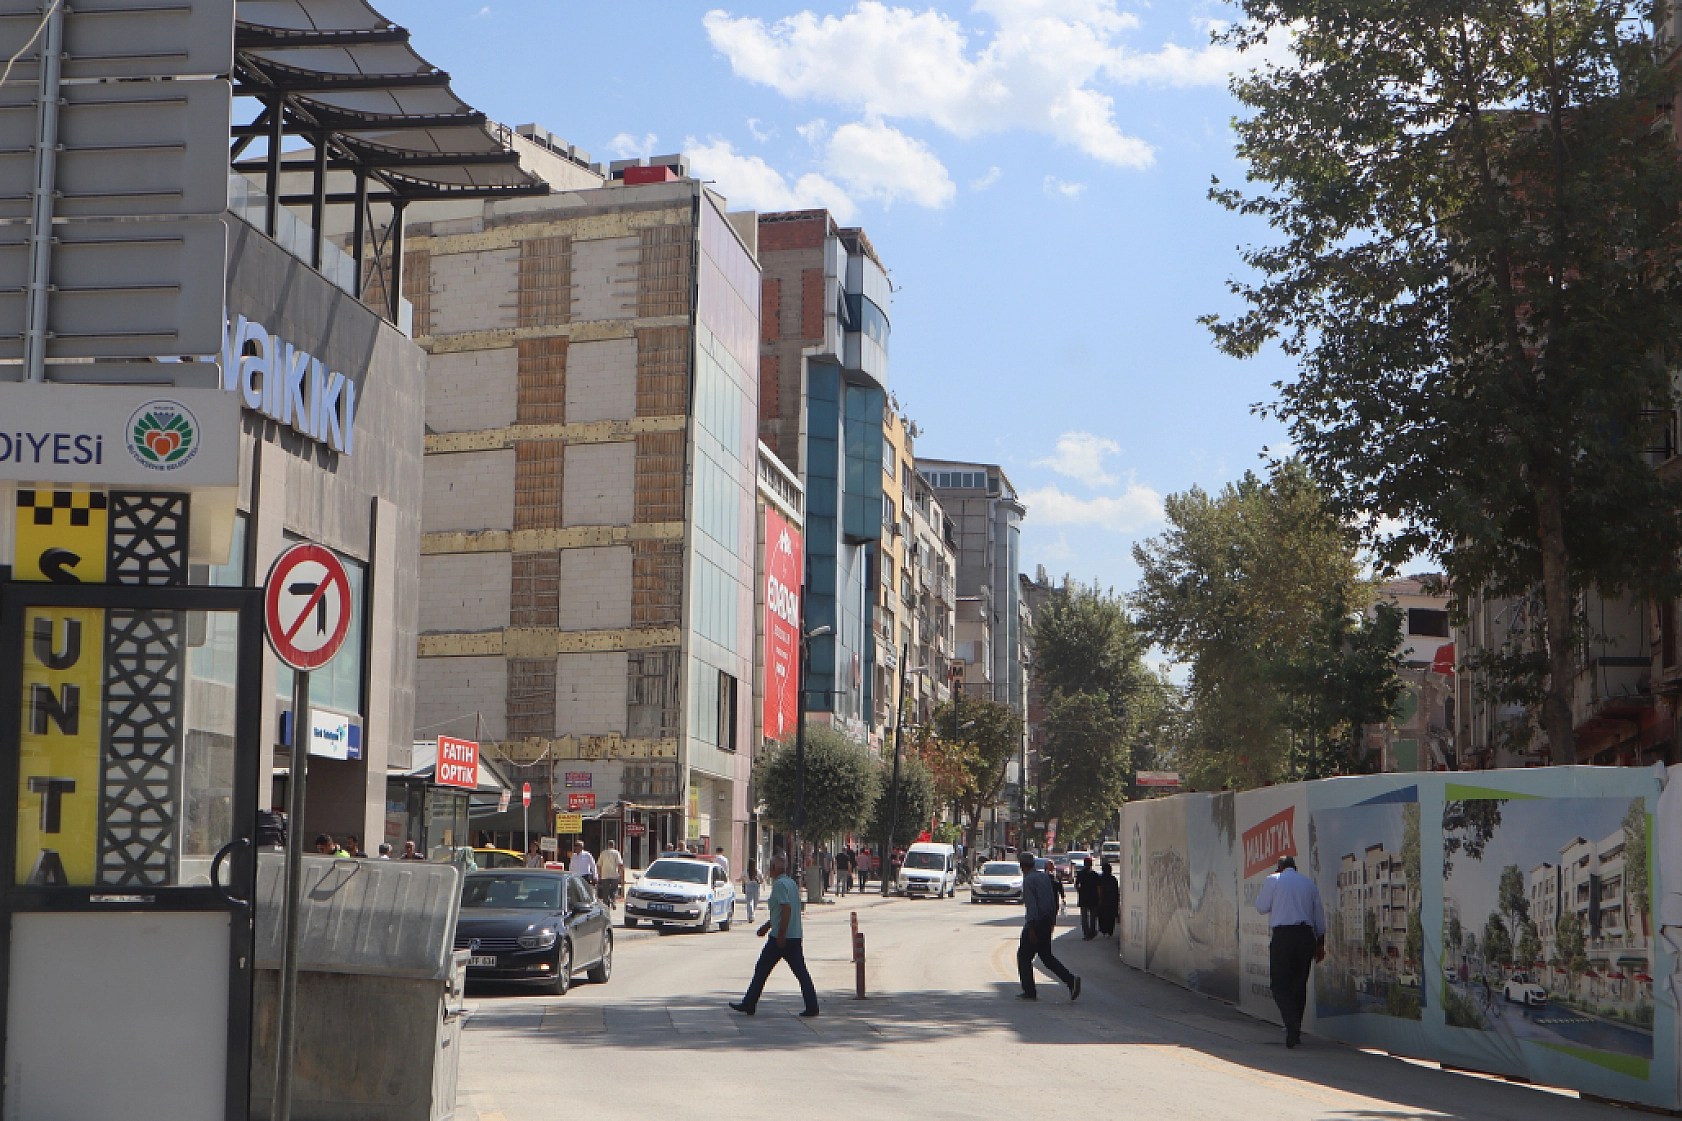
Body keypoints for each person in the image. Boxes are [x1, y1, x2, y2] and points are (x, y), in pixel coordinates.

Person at [730, 854, 819, 1018]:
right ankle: (812, 1006)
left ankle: (749, 1003)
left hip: (781, 937)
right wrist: (766, 926)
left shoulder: (779, 885)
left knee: (762, 969)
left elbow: (786, 908)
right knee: (801, 973)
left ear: (773, 869)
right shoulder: (791, 883)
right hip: (795, 935)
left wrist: (781, 935)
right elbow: (781, 911)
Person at [1254, 855, 1325, 1048]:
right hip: (1306, 937)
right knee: (1299, 984)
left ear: (1279, 868)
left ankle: (1291, 1022)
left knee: (1279, 984)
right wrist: (1320, 945)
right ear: (1295, 866)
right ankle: (1295, 1028)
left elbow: (1261, 907)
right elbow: (1320, 918)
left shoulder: (1273, 880)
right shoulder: (1309, 884)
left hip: (1284, 936)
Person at [1016, 851, 1080, 1002]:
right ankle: (1071, 981)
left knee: (1023, 957)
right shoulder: (1044, 877)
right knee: (1046, 957)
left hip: (1036, 923)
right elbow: (1052, 902)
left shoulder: (1029, 880)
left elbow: (1031, 907)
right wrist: (1051, 922)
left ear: (1022, 866)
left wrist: (1031, 929)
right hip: (1046, 921)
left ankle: (1029, 991)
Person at [1075, 856, 1103, 940]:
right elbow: (1098, 887)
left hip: (1083, 897)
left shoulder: (1080, 874)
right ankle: (1092, 932)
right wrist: (1099, 897)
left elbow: (1076, 885)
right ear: (1091, 864)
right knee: (1093, 916)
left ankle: (1086, 934)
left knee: (1084, 917)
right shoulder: (1094, 874)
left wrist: (1080, 891)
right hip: (1093, 897)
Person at [1098, 860, 1120, 937]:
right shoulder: (1113, 879)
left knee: (1102, 916)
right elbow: (1116, 891)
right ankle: (1109, 931)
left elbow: (1098, 890)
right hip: (1111, 901)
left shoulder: (1100, 879)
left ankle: (1104, 931)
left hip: (1103, 900)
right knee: (1111, 917)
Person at [599, 841, 624, 908]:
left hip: (605, 874)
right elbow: (620, 864)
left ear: (607, 846)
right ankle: (613, 900)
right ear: (614, 845)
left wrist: (599, 874)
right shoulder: (616, 853)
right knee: (614, 889)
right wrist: (622, 874)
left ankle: (605, 903)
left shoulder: (603, 853)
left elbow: (599, 865)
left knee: (605, 890)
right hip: (614, 874)